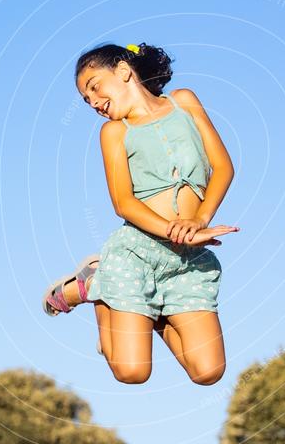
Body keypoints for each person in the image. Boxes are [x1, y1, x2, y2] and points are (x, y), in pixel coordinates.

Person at [42, 42, 239, 385]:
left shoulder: (185, 102)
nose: (93, 102)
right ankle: (94, 287)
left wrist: (199, 222)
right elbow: (124, 203)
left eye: (94, 87)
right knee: (132, 372)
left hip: (187, 261)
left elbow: (222, 167)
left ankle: (143, 302)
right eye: (86, 100)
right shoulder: (114, 132)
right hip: (136, 254)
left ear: (122, 70)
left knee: (208, 372)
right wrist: (175, 229)